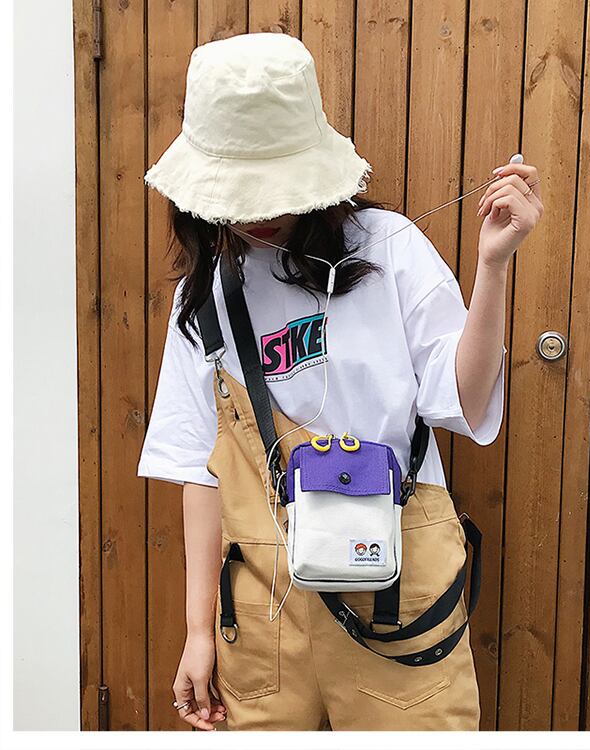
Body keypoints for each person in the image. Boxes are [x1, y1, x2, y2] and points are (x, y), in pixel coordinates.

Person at [137, 31, 543, 732]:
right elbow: (198, 467)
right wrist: (198, 631)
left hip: (398, 585)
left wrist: (494, 266)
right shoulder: (205, 296)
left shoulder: (390, 249)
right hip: (262, 604)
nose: (257, 211)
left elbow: (466, 400)